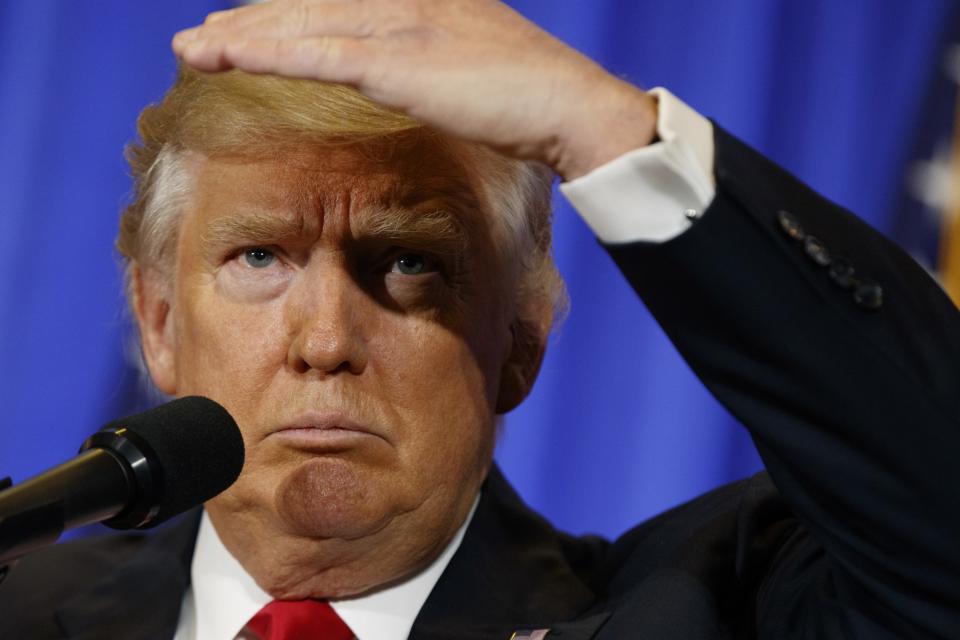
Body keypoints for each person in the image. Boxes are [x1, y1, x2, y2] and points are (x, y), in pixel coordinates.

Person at [2, 1, 959, 638]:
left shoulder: (711, 608)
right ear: (160, 322)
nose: (327, 341)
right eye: (260, 257)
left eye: (410, 264)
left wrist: (599, 125)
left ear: (524, 339)